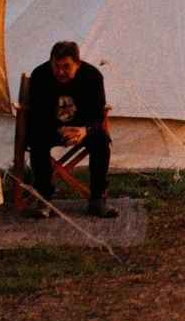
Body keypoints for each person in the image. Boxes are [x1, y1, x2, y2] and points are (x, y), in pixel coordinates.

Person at [25, 40, 117, 218]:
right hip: (50, 127)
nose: (60, 72)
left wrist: (85, 131)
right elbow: (37, 113)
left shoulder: (92, 76)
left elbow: (98, 115)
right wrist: (59, 130)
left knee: (101, 141)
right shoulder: (40, 75)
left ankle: (97, 199)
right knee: (37, 142)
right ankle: (44, 199)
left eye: (66, 67)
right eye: (56, 66)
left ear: (78, 63)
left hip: (82, 128)